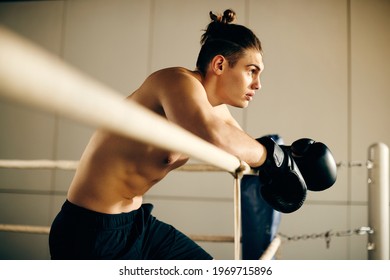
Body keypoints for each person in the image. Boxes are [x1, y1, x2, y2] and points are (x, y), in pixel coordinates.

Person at [49, 9, 336, 260]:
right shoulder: (175, 80)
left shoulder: (216, 110)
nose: (258, 84)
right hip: (88, 230)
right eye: (252, 71)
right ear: (220, 65)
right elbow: (214, 136)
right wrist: (274, 157)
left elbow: (243, 145)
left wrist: (290, 160)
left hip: (136, 224)